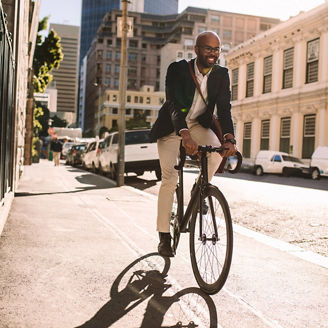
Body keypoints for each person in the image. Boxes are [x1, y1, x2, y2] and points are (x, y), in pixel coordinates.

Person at [150, 31, 237, 257]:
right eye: (208, 48)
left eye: (217, 49)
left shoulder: (221, 74)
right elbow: (173, 104)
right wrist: (184, 134)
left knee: (217, 153)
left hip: (198, 125)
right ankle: (164, 237)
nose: (213, 53)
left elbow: (225, 109)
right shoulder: (177, 69)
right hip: (172, 128)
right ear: (196, 49)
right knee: (168, 180)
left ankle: (198, 190)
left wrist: (229, 138)